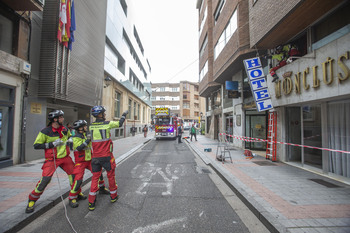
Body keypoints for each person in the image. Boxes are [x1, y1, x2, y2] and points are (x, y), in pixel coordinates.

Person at [25, 110, 75, 213]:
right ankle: (32, 199)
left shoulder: (65, 129)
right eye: (61, 117)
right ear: (55, 119)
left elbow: (69, 137)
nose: (63, 119)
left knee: (74, 176)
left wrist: (71, 139)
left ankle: (74, 195)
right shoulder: (45, 131)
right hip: (52, 159)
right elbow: (36, 145)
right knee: (45, 180)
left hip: (65, 158)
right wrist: (51, 144)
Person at [88, 106, 128, 211]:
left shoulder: (91, 126)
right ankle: (113, 197)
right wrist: (123, 115)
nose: (105, 115)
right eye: (104, 113)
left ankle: (91, 202)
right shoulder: (107, 124)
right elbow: (119, 124)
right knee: (111, 176)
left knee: (95, 178)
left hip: (95, 157)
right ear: (100, 114)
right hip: (106, 156)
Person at [68, 120, 110, 208]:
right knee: (78, 180)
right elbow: (79, 148)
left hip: (89, 159)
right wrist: (87, 140)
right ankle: (72, 198)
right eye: (85, 126)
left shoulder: (84, 136)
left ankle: (102, 188)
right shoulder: (75, 137)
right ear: (80, 128)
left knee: (99, 173)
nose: (86, 127)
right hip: (80, 162)